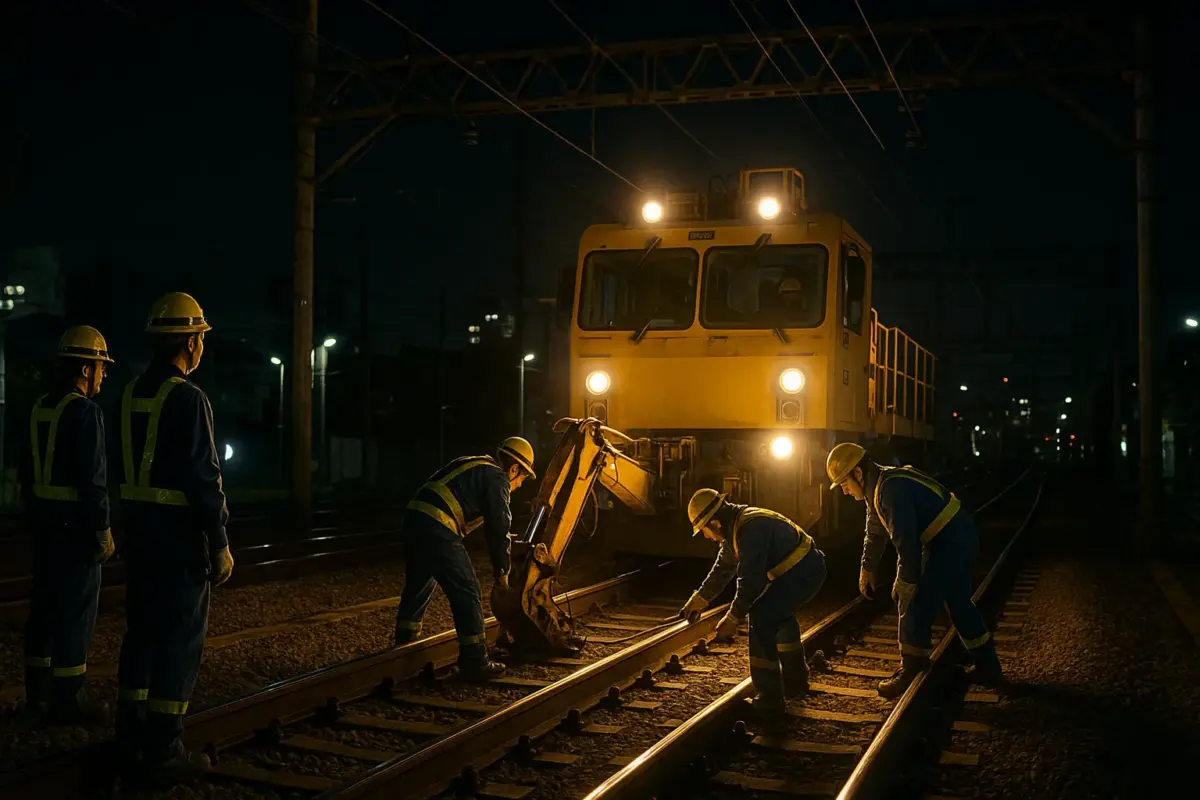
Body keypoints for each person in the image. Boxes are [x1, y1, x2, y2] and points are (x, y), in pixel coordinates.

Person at [115, 292, 233, 783]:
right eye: (200, 337)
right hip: (180, 540)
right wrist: (220, 541)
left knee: (141, 632)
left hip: (138, 536)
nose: (201, 346)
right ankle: (164, 749)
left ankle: (130, 734)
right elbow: (204, 479)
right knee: (180, 638)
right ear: (189, 341)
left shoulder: (126, 394)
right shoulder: (189, 398)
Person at [825, 442, 1002, 698]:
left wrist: (906, 582)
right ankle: (989, 668)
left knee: (913, 599)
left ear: (858, 474)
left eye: (843, 483)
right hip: (957, 535)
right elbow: (875, 531)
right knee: (959, 605)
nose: (843, 491)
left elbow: (906, 543)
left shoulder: (889, 491)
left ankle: (911, 668)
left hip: (949, 541)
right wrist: (867, 568)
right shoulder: (879, 486)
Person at [20, 326, 115, 725]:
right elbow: (92, 481)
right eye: (100, 366)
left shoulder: (39, 407)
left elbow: (26, 470)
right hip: (75, 529)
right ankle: (69, 698)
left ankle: (37, 695)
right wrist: (103, 530)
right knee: (75, 612)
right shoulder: (85, 412)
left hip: (43, 525)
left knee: (43, 608)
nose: (103, 375)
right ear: (85, 368)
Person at [395, 437, 536, 680]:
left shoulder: (475, 464)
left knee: (420, 580)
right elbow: (499, 527)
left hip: (415, 519)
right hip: (438, 524)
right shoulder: (498, 478)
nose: (520, 484)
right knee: (467, 590)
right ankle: (474, 660)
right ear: (514, 469)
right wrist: (502, 571)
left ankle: (404, 640)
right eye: (522, 477)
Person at [677, 488, 827, 717]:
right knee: (781, 617)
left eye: (704, 531)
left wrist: (733, 617)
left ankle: (769, 699)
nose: (706, 537)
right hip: (802, 570)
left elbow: (750, 582)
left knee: (762, 617)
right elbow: (723, 569)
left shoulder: (750, 530)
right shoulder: (737, 527)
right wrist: (698, 599)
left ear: (715, 523)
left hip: (803, 573)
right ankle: (795, 681)